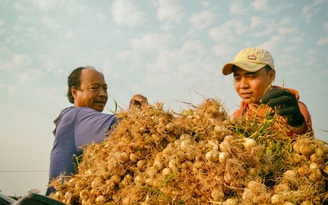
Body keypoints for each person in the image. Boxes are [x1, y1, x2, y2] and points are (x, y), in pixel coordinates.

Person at [46, 66, 147, 195]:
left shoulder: (72, 118)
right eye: (94, 88)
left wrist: (132, 113)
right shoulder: (77, 115)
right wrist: (143, 115)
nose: (103, 94)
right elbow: (123, 125)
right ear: (75, 92)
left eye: (105, 89)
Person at [221, 47, 312, 135]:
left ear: (271, 76)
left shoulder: (292, 109)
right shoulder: (236, 119)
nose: (243, 85)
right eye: (237, 78)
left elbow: (307, 144)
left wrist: (298, 125)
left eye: (251, 77)